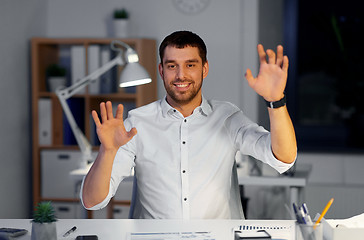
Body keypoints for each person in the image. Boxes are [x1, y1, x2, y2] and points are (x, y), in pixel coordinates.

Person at [80, 30, 297, 219]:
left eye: (190, 65)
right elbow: (92, 201)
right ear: (161, 71)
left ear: (204, 69)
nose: (180, 75)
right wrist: (107, 152)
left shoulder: (228, 117)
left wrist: (275, 101)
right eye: (172, 66)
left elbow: (283, 158)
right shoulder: (137, 123)